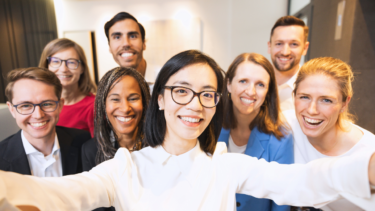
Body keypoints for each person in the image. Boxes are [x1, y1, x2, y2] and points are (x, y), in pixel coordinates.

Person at [0, 51, 375, 211]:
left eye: (207, 94)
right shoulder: (126, 166)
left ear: (216, 103)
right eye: (182, 91)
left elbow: (300, 181)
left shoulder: (225, 166)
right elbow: (67, 192)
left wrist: (366, 167)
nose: (195, 105)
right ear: (160, 99)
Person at [283, 57, 375, 211]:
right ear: (294, 96)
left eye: (326, 100)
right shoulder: (288, 122)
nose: (312, 110)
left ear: (344, 104)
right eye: (304, 97)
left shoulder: (368, 151)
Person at [218, 53, 293, 211]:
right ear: (229, 84)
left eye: (260, 84)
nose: (250, 91)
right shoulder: (210, 127)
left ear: (267, 92)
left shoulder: (281, 139)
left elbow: (281, 202)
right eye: (243, 81)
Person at [0, 67, 91, 177]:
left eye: (47, 104)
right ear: (12, 110)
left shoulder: (83, 142)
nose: (38, 115)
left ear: (60, 105)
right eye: (25, 106)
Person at [81, 67, 150, 211]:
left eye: (133, 98)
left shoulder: (162, 144)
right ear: (103, 104)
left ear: (144, 102)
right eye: (115, 99)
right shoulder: (91, 150)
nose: (125, 108)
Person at [39, 38, 97, 137]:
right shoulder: (37, 105)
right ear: (46, 67)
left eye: (71, 62)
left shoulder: (94, 106)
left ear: (82, 68)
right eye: (56, 61)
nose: (63, 69)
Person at [268, 16, 310, 111]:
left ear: (305, 48)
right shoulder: (257, 83)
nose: (285, 52)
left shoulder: (312, 88)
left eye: (294, 44)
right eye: (279, 43)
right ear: (269, 46)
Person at [105, 12, 154, 89]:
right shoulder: (109, 88)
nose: (126, 44)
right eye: (117, 37)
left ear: (143, 43)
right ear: (109, 47)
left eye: (132, 36)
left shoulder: (166, 79)